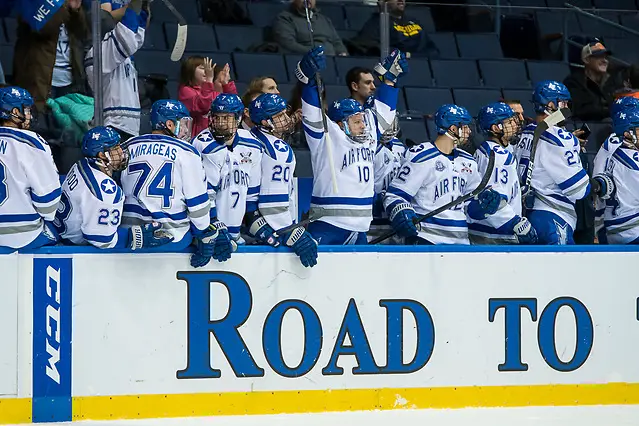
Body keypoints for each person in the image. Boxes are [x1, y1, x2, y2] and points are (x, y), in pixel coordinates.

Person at [296, 46, 403, 244]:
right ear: (340, 125)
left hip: (361, 227)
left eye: (363, 120)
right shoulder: (326, 136)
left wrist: (390, 80)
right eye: (356, 121)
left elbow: (385, 110)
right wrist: (308, 80)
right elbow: (311, 109)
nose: (363, 125)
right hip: (328, 224)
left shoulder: (367, 133)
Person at [122, 100, 233, 267]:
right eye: (182, 124)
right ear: (169, 124)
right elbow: (198, 207)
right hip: (171, 238)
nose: (185, 129)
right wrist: (206, 234)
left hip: (130, 236)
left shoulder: (127, 147)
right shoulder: (187, 152)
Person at [383, 104, 501, 245]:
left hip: (460, 241)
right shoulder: (422, 157)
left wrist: (482, 206)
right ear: (452, 129)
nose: (469, 131)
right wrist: (400, 212)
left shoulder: (469, 161)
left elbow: (469, 203)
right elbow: (395, 195)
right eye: (465, 127)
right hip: (426, 238)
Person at [54, 126, 173, 249]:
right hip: (72, 245)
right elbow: (100, 239)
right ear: (102, 154)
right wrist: (130, 237)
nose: (121, 152)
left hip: (61, 229)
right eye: (115, 148)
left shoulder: (81, 164)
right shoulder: (106, 193)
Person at [513, 81, 592, 245]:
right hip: (553, 216)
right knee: (561, 269)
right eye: (563, 103)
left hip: (528, 214)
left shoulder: (525, 132)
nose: (567, 108)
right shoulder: (558, 137)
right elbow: (578, 189)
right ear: (550, 105)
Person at [249, 93, 318, 267]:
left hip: (250, 224)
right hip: (272, 227)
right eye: (279, 116)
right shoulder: (277, 149)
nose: (286, 119)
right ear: (265, 122)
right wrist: (290, 232)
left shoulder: (251, 136)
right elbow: (273, 204)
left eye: (284, 113)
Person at [192, 94, 262, 245]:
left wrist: (262, 228)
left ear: (238, 118)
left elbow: (252, 197)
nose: (220, 123)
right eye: (217, 117)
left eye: (226, 118)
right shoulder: (203, 144)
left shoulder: (253, 145)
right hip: (208, 234)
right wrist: (213, 227)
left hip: (236, 235)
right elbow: (203, 196)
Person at [0, 87, 61, 250]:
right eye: (26, 109)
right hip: (23, 235)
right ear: (14, 112)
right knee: (59, 232)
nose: (30, 115)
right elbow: (48, 204)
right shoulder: (31, 143)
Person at [468, 102, 537, 245]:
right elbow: (493, 201)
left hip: (483, 231)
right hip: (493, 236)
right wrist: (515, 224)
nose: (515, 125)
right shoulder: (498, 156)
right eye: (509, 122)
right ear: (495, 128)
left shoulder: (489, 150)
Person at [86, 4, 148, 141]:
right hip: (111, 124)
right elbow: (127, 38)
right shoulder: (97, 52)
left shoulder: (112, 50)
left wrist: (143, 9)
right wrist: (134, 5)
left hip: (125, 124)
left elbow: (135, 39)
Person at [13, 0, 88, 111]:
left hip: (68, 80)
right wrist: (63, 5)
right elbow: (43, 27)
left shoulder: (65, 4)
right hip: (40, 79)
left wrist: (76, 10)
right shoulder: (34, 3)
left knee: (67, 125)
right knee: (38, 122)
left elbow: (82, 33)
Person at [353, 0, 439, 58]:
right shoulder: (377, 22)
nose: (401, 0)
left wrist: (411, 55)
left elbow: (432, 49)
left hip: (420, 63)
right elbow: (368, 44)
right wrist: (402, 55)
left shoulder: (414, 21)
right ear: (383, 2)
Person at [178, 56, 237, 138]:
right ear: (190, 70)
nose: (207, 71)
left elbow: (233, 106)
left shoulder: (210, 90)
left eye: (208, 68)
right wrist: (209, 79)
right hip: (197, 139)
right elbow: (204, 106)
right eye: (203, 68)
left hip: (216, 137)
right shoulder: (186, 91)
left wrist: (226, 84)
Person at [273, 0, 348, 56]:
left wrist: (342, 53)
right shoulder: (285, 18)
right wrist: (314, 54)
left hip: (330, 59)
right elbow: (288, 44)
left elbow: (337, 42)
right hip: (305, 60)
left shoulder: (324, 19)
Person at [563, 41, 616, 121]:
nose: (604, 61)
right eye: (599, 57)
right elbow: (581, 111)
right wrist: (610, 110)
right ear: (586, 60)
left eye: (605, 57)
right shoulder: (573, 82)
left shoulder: (611, 81)